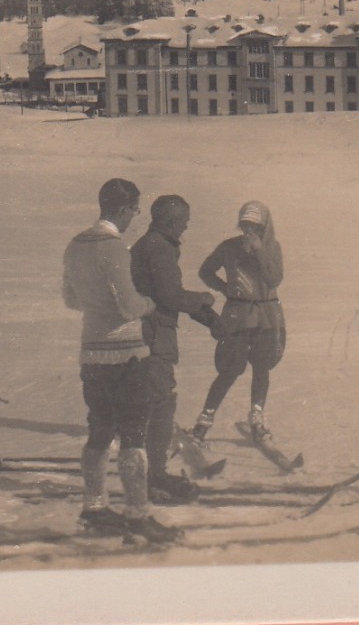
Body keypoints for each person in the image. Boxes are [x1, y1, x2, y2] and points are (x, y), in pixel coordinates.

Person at [62, 178, 181, 543]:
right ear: (125, 209)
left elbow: (70, 299)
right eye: (135, 210)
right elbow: (129, 305)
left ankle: (94, 507)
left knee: (98, 431)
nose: (135, 218)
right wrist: (148, 306)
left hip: (91, 353)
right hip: (127, 355)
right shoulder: (115, 249)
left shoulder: (75, 245)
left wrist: (97, 309)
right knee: (133, 435)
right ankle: (137, 514)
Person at [129, 194, 219, 503]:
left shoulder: (149, 245)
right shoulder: (159, 249)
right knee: (160, 405)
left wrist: (208, 319)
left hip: (145, 335)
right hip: (153, 339)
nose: (185, 228)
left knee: (148, 405)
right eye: (183, 222)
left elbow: (165, 295)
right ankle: (156, 477)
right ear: (170, 221)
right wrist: (204, 300)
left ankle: (148, 473)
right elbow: (171, 296)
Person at [192, 200, 286, 442]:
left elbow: (274, 279)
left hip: (266, 319)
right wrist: (225, 289)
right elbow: (205, 271)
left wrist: (259, 251)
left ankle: (256, 419)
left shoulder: (272, 248)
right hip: (237, 318)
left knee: (261, 368)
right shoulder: (228, 247)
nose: (249, 232)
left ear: (265, 228)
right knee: (230, 370)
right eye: (245, 226)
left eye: (255, 227)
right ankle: (203, 422)